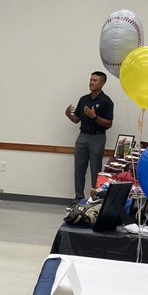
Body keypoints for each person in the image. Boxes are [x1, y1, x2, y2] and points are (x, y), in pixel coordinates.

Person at [65, 71, 114, 201]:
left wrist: (94, 117)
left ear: (102, 83)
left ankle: (95, 199)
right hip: (82, 137)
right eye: (91, 79)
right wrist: (69, 115)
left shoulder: (106, 101)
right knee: (79, 169)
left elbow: (109, 124)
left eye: (95, 80)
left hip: (97, 138)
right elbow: (77, 119)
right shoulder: (84, 99)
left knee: (95, 171)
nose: (91, 82)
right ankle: (78, 198)